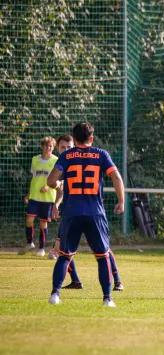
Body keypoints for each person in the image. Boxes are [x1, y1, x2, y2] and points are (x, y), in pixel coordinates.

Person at [46, 122, 125, 307]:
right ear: (91, 138)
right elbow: (116, 177)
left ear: (74, 139)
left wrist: (57, 185)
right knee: (102, 256)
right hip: (94, 213)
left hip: (72, 212)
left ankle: (55, 295)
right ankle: (107, 298)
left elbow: (50, 181)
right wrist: (121, 201)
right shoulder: (101, 154)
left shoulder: (66, 156)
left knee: (65, 255)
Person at [18, 136, 58, 257]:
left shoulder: (56, 160)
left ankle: (41, 248)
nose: (48, 148)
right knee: (29, 220)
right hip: (34, 196)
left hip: (47, 197)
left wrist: (48, 187)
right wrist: (29, 194)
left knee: (43, 223)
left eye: (51, 146)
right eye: (46, 146)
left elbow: (58, 179)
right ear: (42, 147)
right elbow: (34, 178)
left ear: (53, 148)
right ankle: (29, 243)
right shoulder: (35, 160)